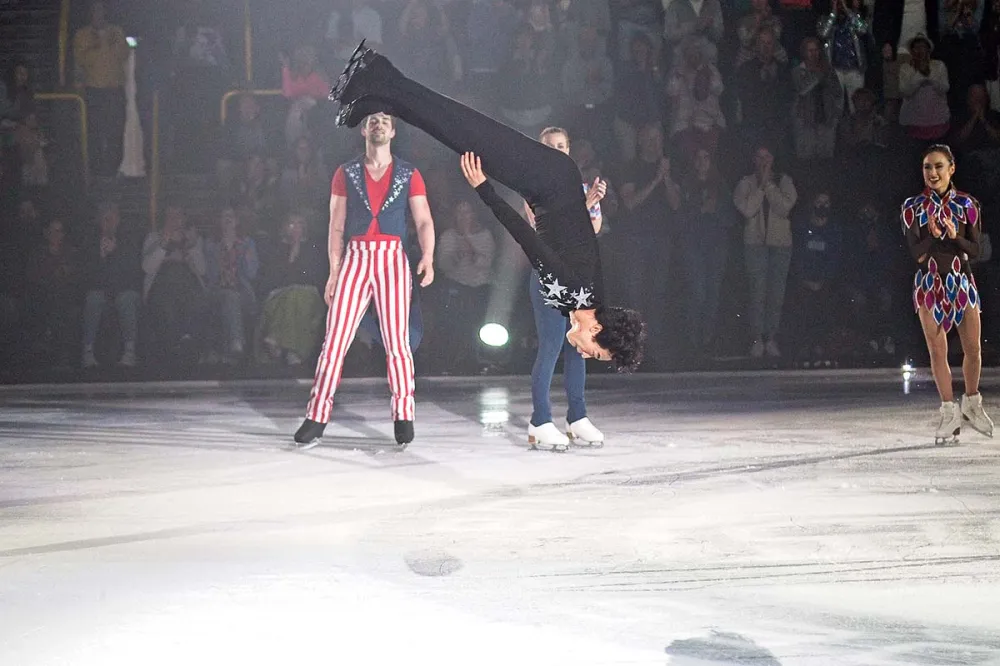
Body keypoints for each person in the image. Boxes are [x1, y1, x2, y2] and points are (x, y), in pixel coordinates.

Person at [328, 40, 644, 371]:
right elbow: (527, 238)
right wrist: (485, 190)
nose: (583, 354)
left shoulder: (582, 301)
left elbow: (565, 236)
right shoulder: (576, 292)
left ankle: (376, 95)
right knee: (459, 126)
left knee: (454, 132)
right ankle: (374, 72)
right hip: (546, 179)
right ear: (595, 330)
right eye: (593, 351)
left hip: (546, 185)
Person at [294, 112, 435, 449]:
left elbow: (424, 219)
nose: (378, 123)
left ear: (394, 130)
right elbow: (337, 226)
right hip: (356, 257)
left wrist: (428, 256)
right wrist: (334, 269)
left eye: (385, 119)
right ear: (363, 129)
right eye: (373, 119)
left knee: (397, 343)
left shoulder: (409, 173)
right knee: (335, 340)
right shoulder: (346, 172)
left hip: (392, 257)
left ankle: (403, 415)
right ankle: (316, 416)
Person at [902, 144, 993, 444]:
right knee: (937, 350)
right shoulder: (912, 208)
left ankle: (972, 402)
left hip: (961, 283)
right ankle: (948, 410)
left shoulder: (968, 205)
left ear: (951, 168)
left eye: (939, 166)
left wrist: (955, 236)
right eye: (928, 167)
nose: (933, 172)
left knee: (973, 349)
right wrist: (931, 235)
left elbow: (977, 250)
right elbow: (915, 254)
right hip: (929, 285)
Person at [523, 127, 607, 451]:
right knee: (552, 345)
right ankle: (540, 420)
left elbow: (592, 229)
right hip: (550, 277)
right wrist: (583, 205)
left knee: (579, 345)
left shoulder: (581, 189)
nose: (557, 151)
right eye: (550, 147)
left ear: (569, 150)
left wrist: (588, 205)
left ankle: (577, 416)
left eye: (562, 146)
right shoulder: (533, 190)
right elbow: (548, 229)